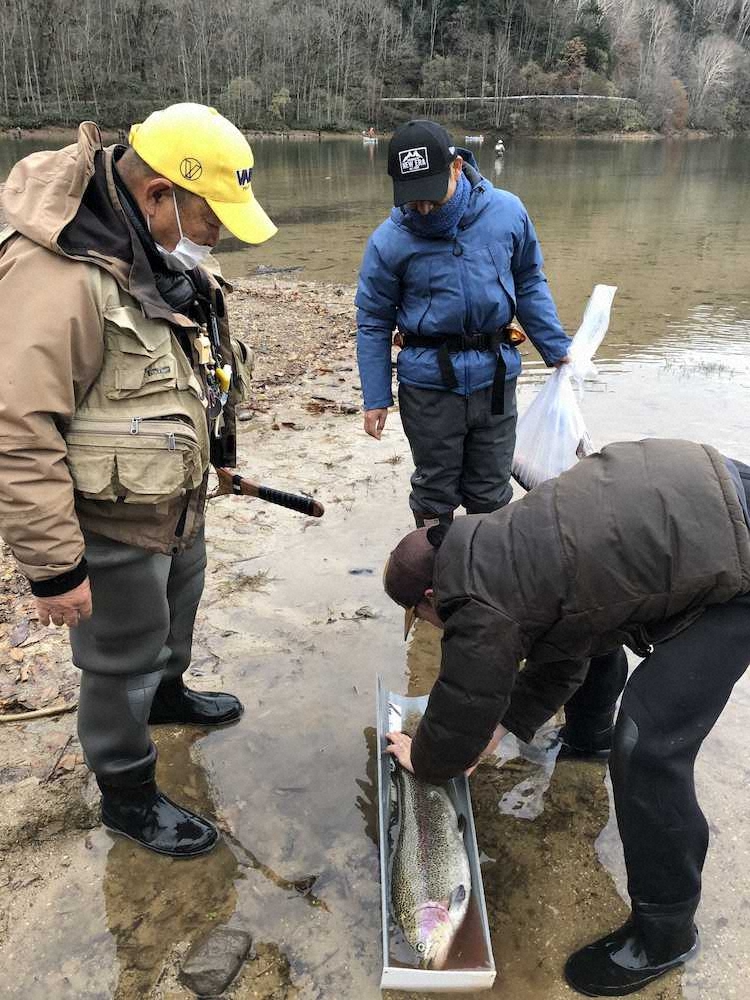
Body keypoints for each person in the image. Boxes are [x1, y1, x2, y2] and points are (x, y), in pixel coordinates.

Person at [0, 103, 277, 858]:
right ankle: (126, 792)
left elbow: (199, 359)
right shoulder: (57, 274)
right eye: (211, 219)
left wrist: (222, 448)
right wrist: (55, 568)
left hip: (175, 495)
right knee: (118, 654)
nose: (217, 237)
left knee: (175, 610)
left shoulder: (158, 250)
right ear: (158, 194)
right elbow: (18, 429)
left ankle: (167, 695)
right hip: (110, 517)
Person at [382, 438, 750, 996]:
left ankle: (666, 935)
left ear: (433, 592)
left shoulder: (476, 598)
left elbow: (465, 700)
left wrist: (429, 759)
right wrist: (503, 729)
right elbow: (567, 644)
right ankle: (588, 740)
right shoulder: (504, 538)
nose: (433, 624)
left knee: (648, 746)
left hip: (737, 558)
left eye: (425, 616)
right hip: (714, 489)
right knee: (594, 629)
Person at [355, 119, 571, 531]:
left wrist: (555, 347)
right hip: (429, 388)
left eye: (431, 197)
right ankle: (436, 579)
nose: (422, 209)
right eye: (412, 198)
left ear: (456, 168)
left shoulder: (507, 212)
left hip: (496, 380)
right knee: (435, 489)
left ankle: (487, 577)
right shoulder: (388, 241)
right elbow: (373, 322)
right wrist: (376, 397)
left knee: (491, 491)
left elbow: (528, 280)